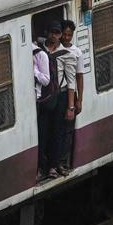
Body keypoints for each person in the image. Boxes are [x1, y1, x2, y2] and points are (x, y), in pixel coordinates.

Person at [54, 20, 85, 173]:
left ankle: (63, 161)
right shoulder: (55, 49)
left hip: (69, 94)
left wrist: (78, 101)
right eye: (64, 35)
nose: (66, 38)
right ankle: (56, 161)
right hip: (59, 94)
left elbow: (79, 77)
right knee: (59, 129)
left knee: (67, 130)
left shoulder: (76, 52)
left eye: (69, 35)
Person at [34, 23, 64, 179]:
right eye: (52, 32)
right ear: (47, 33)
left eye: (57, 33)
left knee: (57, 132)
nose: (54, 35)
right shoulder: (38, 51)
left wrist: (73, 102)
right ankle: (41, 166)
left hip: (59, 96)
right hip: (43, 98)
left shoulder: (65, 51)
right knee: (42, 133)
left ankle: (53, 165)